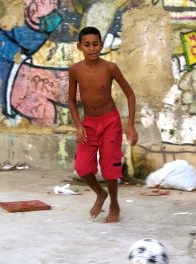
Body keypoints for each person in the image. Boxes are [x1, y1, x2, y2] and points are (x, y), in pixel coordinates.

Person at [68, 26, 138, 223]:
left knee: (110, 168)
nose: (92, 49)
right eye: (87, 45)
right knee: (82, 167)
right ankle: (100, 193)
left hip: (110, 122)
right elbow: (72, 100)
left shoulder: (110, 68)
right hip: (88, 124)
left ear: (102, 44)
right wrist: (78, 125)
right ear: (79, 47)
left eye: (95, 44)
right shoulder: (75, 70)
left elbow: (130, 95)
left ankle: (114, 203)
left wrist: (130, 125)